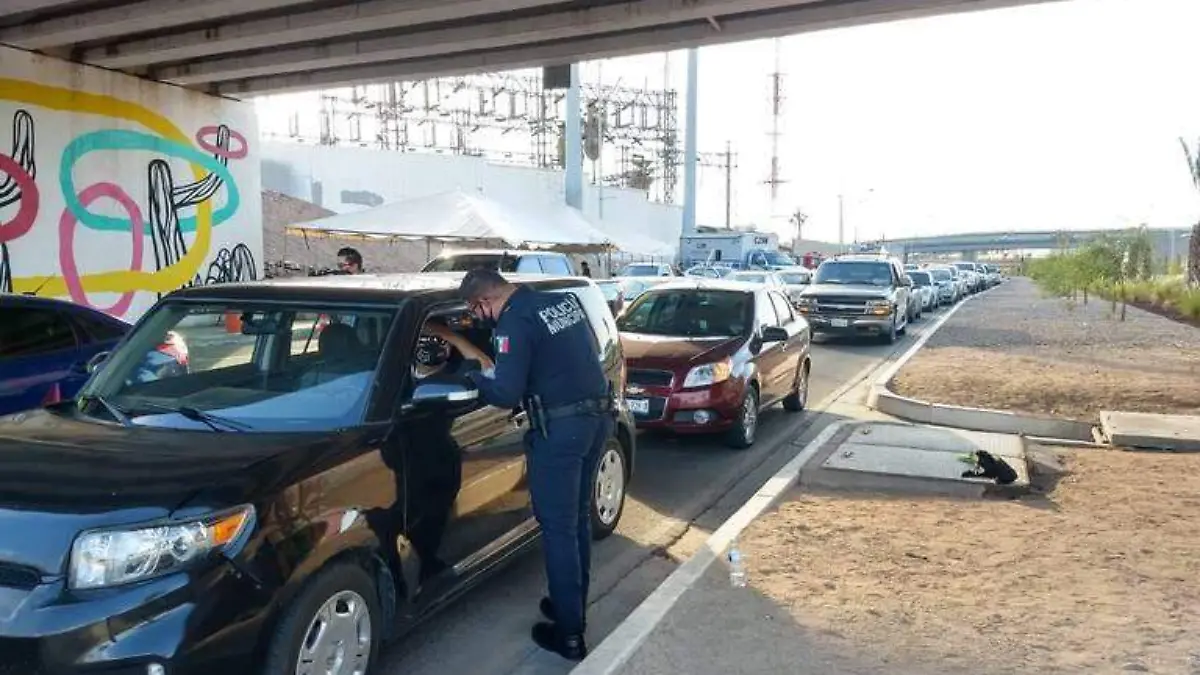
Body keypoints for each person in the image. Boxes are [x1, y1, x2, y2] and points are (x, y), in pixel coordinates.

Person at [457, 268, 612, 661]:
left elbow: (505, 394)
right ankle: (570, 605)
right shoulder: (562, 301)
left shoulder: (513, 323)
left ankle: (570, 635)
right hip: (596, 421)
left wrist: (473, 377)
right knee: (576, 519)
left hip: (560, 434)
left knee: (559, 529)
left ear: (484, 302)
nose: (478, 319)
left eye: (475, 313)